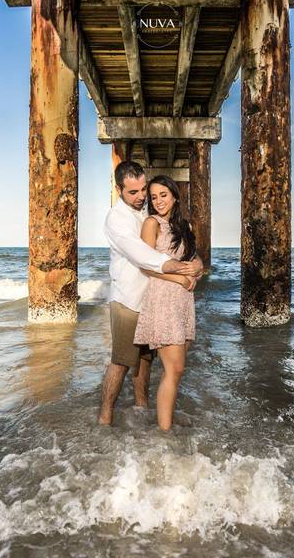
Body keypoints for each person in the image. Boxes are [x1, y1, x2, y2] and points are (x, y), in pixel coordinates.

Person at [98, 161, 203, 426]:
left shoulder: (148, 208)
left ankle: (141, 409)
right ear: (118, 189)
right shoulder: (117, 219)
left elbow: (180, 242)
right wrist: (177, 271)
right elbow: (141, 254)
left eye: (143, 190)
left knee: (145, 360)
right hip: (128, 299)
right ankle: (105, 416)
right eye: (133, 192)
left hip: (153, 301)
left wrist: (197, 265)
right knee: (122, 361)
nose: (142, 197)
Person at [133, 175, 197, 431]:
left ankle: (165, 421)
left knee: (177, 369)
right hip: (163, 297)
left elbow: (194, 259)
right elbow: (146, 266)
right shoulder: (151, 223)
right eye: (154, 197)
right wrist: (179, 280)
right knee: (175, 368)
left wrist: (198, 266)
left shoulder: (185, 227)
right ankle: (164, 432)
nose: (158, 201)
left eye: (164, 195)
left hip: (183, 301)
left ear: (175, 196)